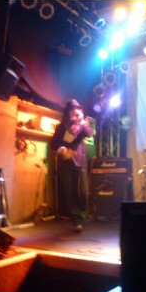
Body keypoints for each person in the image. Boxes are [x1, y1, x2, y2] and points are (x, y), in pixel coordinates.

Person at [50, 99, 94, 232]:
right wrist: (62, 149)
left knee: (83, 191)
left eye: (77, 109)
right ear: (67, 112)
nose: (75, 111)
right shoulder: (61, 126)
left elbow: (89, 133)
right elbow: (53, 144)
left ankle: (80, 213)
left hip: (80, 162)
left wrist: (82, 121)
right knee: (69, 192)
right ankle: (75, 220)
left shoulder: (83, 125)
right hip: (65, 162)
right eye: (72, 109)